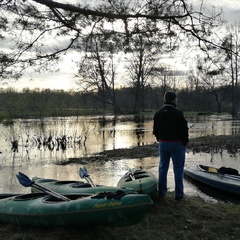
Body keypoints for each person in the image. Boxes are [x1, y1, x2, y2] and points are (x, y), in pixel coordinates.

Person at [153, 91, 189, 200]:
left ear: (165, 99)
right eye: (176, 99)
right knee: (178, 169)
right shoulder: (178, 113)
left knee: (163, 168)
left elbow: (155, 130)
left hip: (163, 143)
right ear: (174, 100)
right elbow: (184, 129)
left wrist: (160, 139)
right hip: (177, 144)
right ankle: (179, 195)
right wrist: (185, 142)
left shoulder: (158, 113)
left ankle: (162, 193)